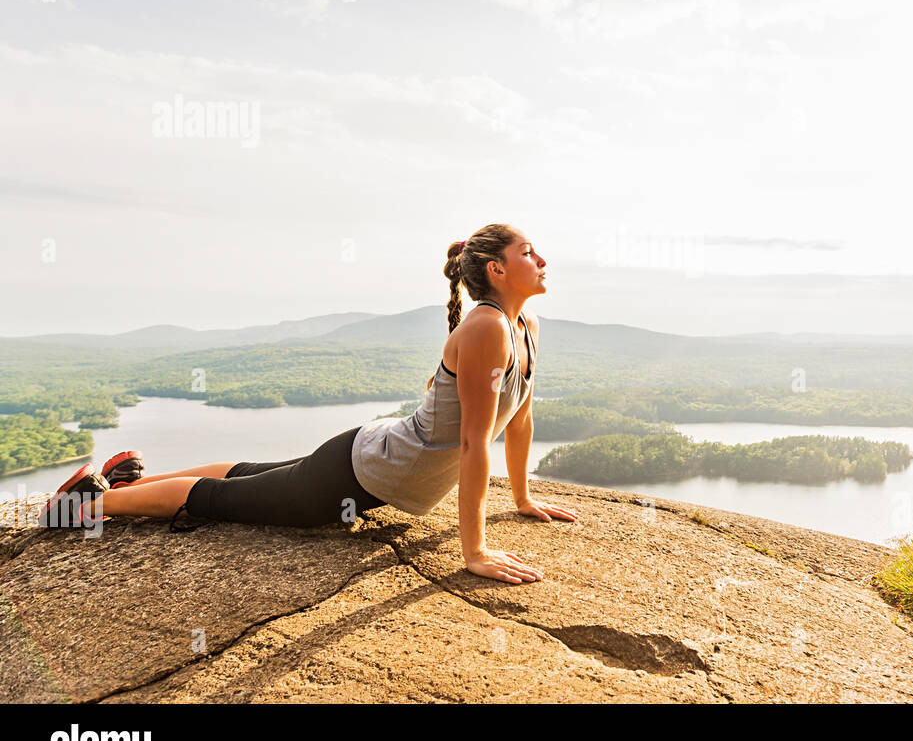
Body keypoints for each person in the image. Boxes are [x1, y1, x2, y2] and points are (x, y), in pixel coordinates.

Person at [39, 222, 576, 585]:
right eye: (528, 252)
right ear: (497, 270)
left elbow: (521, 417)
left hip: (371, 458)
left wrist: (524, 499)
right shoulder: (487, 326)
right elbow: (472, 443)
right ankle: (87, 505)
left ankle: (127, 484)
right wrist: (475, 552)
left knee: (248, 475)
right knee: (222, 500)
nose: (543, 258)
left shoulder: (523, 326)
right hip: (358, 475)